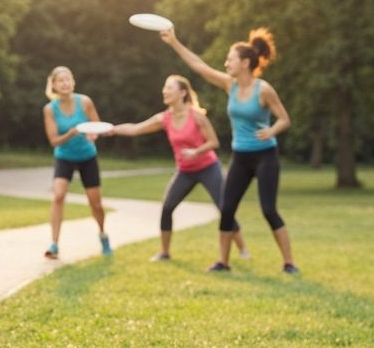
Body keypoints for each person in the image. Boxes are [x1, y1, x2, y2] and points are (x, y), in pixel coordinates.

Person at [161, 26, 298, 274]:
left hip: (265, 155)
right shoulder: (230, 85)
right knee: (227, 209)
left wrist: (271, 131)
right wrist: (174, 42)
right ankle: (223, 262)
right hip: (241, 157)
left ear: (245, 63)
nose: (226, 64)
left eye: (230, 59)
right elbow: (199, 67)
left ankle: (289, 262)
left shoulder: (263, 89)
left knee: (268, 209)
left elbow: (284, 119)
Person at [109, 75, 250, 262]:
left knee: (224, 208)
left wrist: (196, 151)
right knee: (167, 208)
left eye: (169, 88)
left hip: (208, 167)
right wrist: (112, 129)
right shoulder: (164, 118)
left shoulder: (197, 116)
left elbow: (214, 142)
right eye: (164, 88)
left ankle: (242, 249)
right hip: (185, 171)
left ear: (182, 93)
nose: (164, 91)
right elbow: (136, 129)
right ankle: (164, 252)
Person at [42, 66, 111, 259]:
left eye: (68, 79)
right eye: (60, 80)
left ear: (73, 82)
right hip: (64, 156)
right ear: (54, 85)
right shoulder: (49, 109)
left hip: (87, 156)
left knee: (95, 203)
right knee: (58, 196)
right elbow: (54, 141)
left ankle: (103, 234)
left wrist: (92, 134)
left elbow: (98, 128)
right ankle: (54, 244)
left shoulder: (85, 102)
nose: (65, 83)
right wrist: (71, 133)